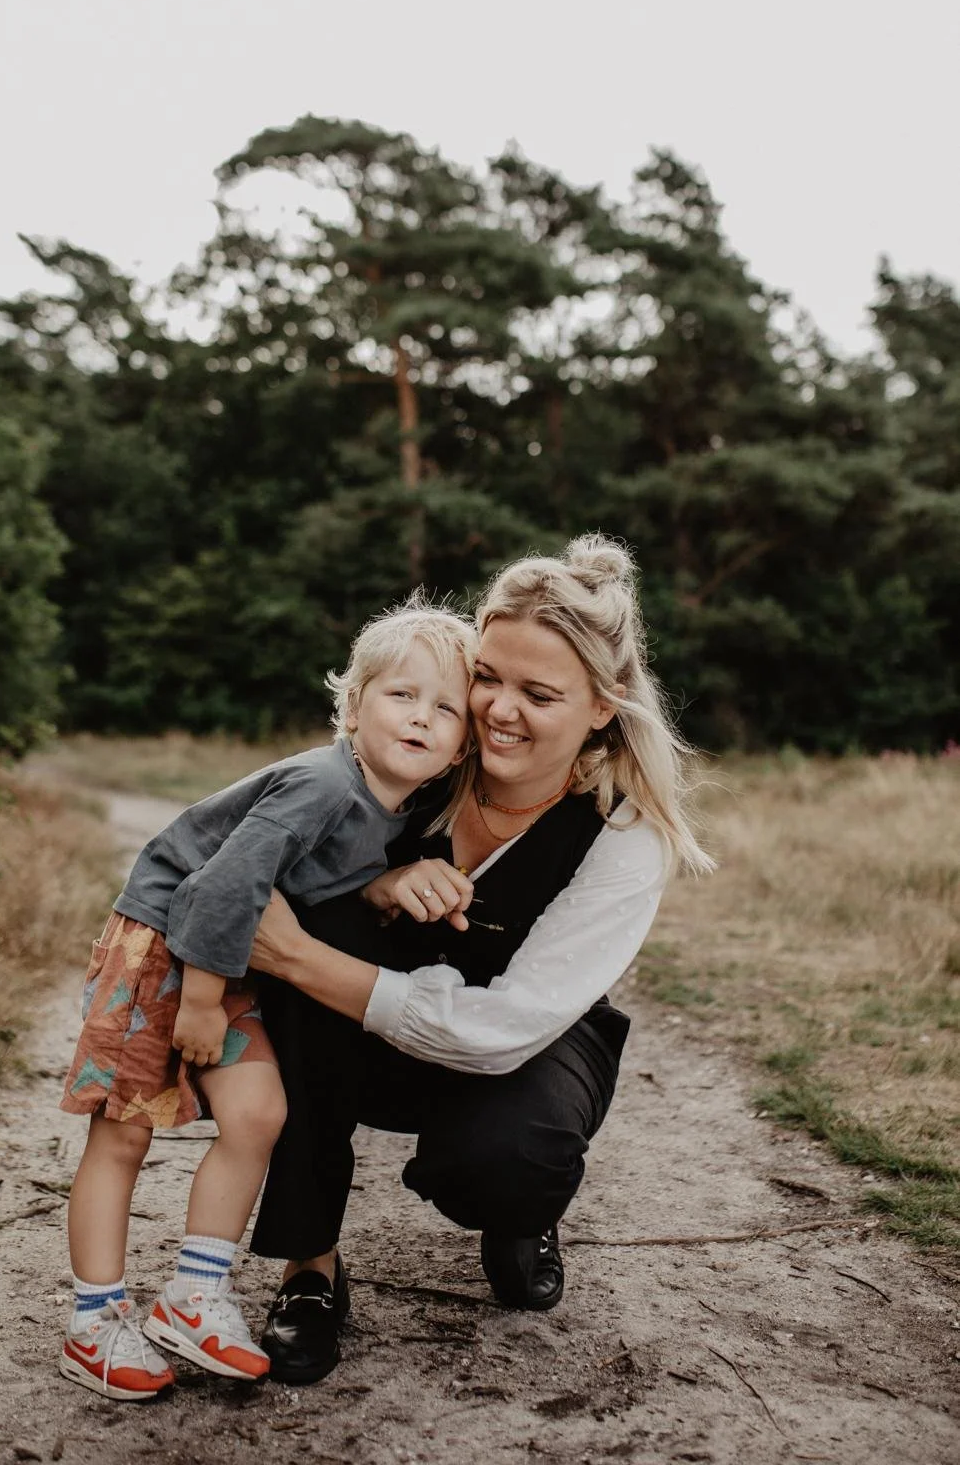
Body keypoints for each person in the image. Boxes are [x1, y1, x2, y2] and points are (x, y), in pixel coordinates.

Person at [245, 533, 714, 1384]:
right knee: (305, 970)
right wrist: (375, 885)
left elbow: (504, 1028)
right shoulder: (417, 759)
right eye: (488, 677)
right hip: (374, 1021)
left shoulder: (622, 833)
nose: (498, 709)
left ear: (601, 707)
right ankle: (309, 1268)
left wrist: (297, 959)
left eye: (539, 693)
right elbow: (276, 862)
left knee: (503, 1161)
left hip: (527, 1039)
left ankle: (521, 1217)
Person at [57, 598, 476, 1401]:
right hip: (163, 949)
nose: (421, 716)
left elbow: (323, 879)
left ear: (461, 746)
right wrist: (201, 1004)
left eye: (445, 708)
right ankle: (94, 1321)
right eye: (401, 695)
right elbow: (215, 890)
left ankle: (193, 1295)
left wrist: (384, 883)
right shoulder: (322, 785)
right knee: (124, 1134)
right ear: (353, 708)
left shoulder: (395, 811)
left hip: (228, 964)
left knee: (258, 1115)